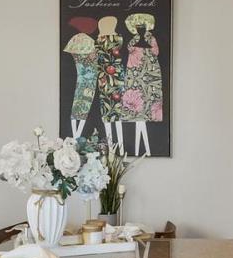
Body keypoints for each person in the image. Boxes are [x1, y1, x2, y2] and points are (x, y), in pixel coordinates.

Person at [122, 12, 165, 156]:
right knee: (137, 117)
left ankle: (145, 149)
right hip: (134, 79)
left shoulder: (151, 39)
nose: (140, 29)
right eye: (137, 26)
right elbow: (131, 54)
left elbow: (155, 52)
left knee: (145, 115)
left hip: (150, 78)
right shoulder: (133, 41)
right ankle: (139, 150)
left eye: (142, 26)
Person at [63, 16, 99, 138]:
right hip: (90, 79)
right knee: (85, 105)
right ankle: (77, 135)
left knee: (77, 104)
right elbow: (94, 60)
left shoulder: (74, 40)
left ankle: (75, 135)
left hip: (80, 78)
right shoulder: (90, 42)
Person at [95, 16, 126, 152]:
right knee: (118, 111)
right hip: (117, 76)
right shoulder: (119, 39)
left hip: (103, 77)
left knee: (107, 112)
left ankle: (112, 146)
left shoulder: (98, 41)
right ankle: (121, 143)